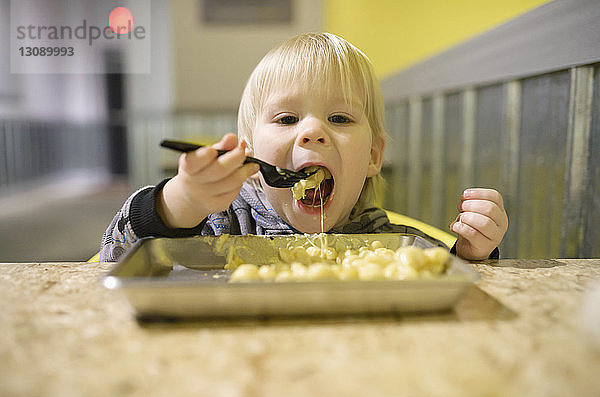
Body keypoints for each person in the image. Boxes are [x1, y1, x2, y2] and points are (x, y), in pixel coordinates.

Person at [100, 32, 508, 262]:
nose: (312, 132)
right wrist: (179, 204)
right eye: (287, 119)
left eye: (340, 119)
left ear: (372, 156)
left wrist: (473, 254)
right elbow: (115, 258)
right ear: (250, 154)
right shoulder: (218, 223)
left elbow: (450, 288)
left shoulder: (388, 244)